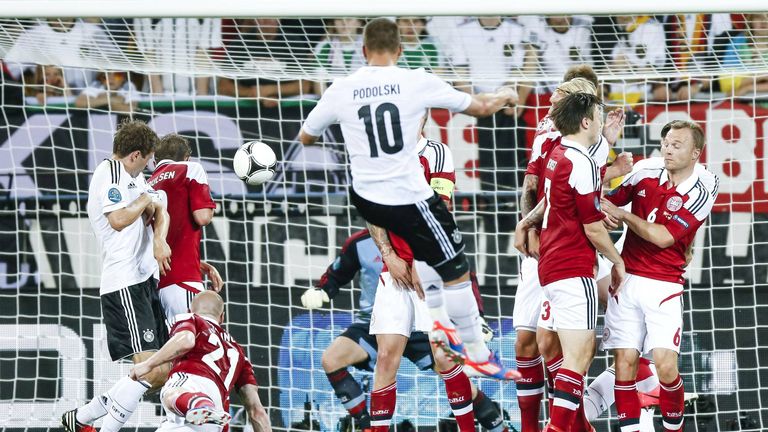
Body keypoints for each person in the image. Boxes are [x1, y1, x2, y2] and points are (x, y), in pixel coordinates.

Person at [300, 17, 519, 382]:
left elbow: (307, 136)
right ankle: (477, 352)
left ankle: (436, 325)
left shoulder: (341, 87)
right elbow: (481, 108)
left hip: (368, 199)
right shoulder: (415, 79)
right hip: (407, 196)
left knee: (427, 258)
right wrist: (504, 96)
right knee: (456, 269)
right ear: (400, 50)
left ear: (364, 50)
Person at [513, 72, 631, 432]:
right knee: (576, 353)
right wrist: (617, 259)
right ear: (583, 114)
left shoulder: (571, 150)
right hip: (569, 259)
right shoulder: (567, 147)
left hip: (553, 258)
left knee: (553, 343)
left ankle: (577, 425)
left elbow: (558, 192)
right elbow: (590, 222)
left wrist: (606, 164)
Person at [303, 228, 505, 432]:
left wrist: (477, 316)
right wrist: (322, 289)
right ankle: (367, 426)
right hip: (373, 323)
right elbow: (337, 273)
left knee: (460, 381)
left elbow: (461, 274)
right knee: (331, 359)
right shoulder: (359, 243)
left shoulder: (431, 233)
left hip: (421, 326)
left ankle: (499, 428)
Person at [600, 120, 718, 432]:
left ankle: (674, 427)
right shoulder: (645, 170)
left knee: (666, 366)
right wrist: (607, 208)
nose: (667, 149)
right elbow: (609, 200)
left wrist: (623, 215)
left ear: (695, 153)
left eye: (676, 145)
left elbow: (664, 237)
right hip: (625, 279)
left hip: (664, 284)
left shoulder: (704, 186)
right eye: (665, 142)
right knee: (623, 365)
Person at [61, 119, 172, 432]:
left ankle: (85, 416)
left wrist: (160, 237)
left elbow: (160, 208)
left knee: (166, 369)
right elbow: (120, 219)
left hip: (144, 281)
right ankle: (92, 420)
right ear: (135, 155)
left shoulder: (134, 180)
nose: (149, 166)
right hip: (124, 284)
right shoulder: (108, 172)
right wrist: (144, 200)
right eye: (148, 159)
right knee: (152, 372)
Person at [130, 291, 272, 432]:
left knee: (170, 393)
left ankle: (200, 404)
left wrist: (147, 365)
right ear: (222, 317)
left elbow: (186, 340)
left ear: (189, 310)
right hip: (216, 414)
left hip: (191, 385)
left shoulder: (192, 319)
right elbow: (257, 411)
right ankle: (201, 406)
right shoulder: (239, 353)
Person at [147, 134, 223, 322]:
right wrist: (213, 206)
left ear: (155, 161)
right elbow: (202, 216)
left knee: (172, 347)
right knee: (199, 346)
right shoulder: (190, 169)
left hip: (157, 284)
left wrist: (199, 263)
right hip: (183, 281)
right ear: (187, 158)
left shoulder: (147, 184)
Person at [74, 71, 139, 113]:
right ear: (102, 77)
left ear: (124, 77)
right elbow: (79, 103)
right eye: (107, 74)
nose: (111, 78)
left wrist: (100, 101)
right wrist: (110, 99)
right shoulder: (98, 85)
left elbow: (131, 110)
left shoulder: (128, 86)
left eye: (117, 75)